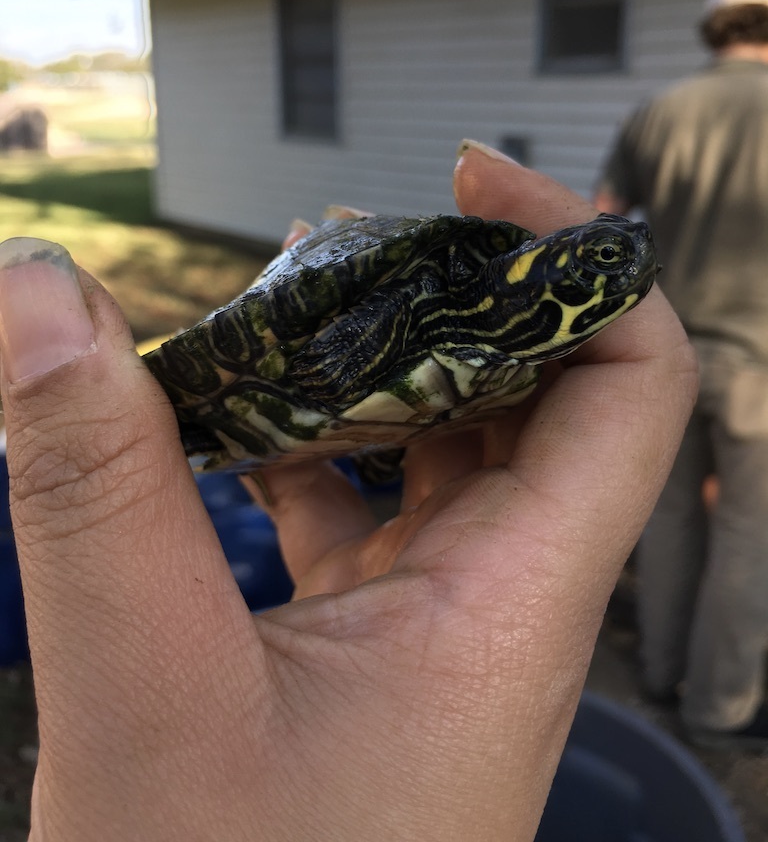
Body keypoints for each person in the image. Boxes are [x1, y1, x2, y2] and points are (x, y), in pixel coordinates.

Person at [0, 142, 694, 841]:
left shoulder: (511, 358)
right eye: (602, 259)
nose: (631, 256)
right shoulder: (435, 287)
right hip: (275, 383)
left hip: (366, 419)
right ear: (524, 276)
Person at [594, 0, 768, 751]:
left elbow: (599, 223)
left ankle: (661, 673)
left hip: (667, 353)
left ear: (714, 29)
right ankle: (721, 709)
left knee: (666, 517)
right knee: (748, 533)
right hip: (761, 366)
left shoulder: (657, 113)